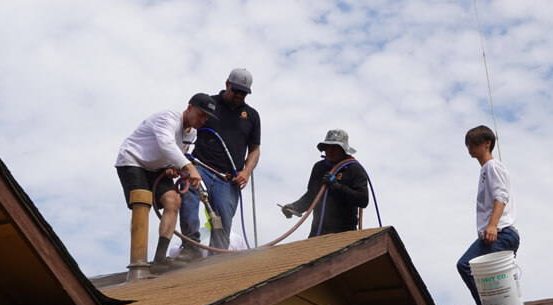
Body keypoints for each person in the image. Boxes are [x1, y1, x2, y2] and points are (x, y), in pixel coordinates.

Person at [115, 93, 215, 273]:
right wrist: (189, 167)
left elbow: (175, 154)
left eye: (207, 118)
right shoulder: (168, 118)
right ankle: (138, 263)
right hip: (133, 160)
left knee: (173, 200)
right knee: (142, 203)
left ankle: (159, 259)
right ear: (190, 107)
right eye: (201, 114)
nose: (203, 120)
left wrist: (172, 168)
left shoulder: (192, 133)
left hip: (156, 168)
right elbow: (167, 144)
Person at [177, 68, 261, 259]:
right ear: (226, 85)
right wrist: (180, 160)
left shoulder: (252, 116)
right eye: (236, 91)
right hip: (200, 167)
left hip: (228, 179)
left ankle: (217, 262)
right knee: (188, 188)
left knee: (222, 223)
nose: (239, 96)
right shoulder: (209, 104)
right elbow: (187, 128)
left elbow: (255, 149)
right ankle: (191, 247)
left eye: (244, 93)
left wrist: (246, 172)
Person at [456, 125, 519, 305]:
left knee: (466, 265)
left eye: (473, 143)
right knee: (493, 278)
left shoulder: (492, 166)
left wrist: (492, 226)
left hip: (500, 232)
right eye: (468, 144)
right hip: (501, 233)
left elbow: (501, 196)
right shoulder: (485, 169)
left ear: (487, 143)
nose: (470, 147)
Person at [280, 129, 369, 237]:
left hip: (344, 235)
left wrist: (337, 186)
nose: (330, 151)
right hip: (317, 234)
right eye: (327, 147)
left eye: (334, 148)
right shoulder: (319, 168)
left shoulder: (354, 169)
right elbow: (312, 196)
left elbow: (363, 199)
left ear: (343, 149)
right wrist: (295, 207)